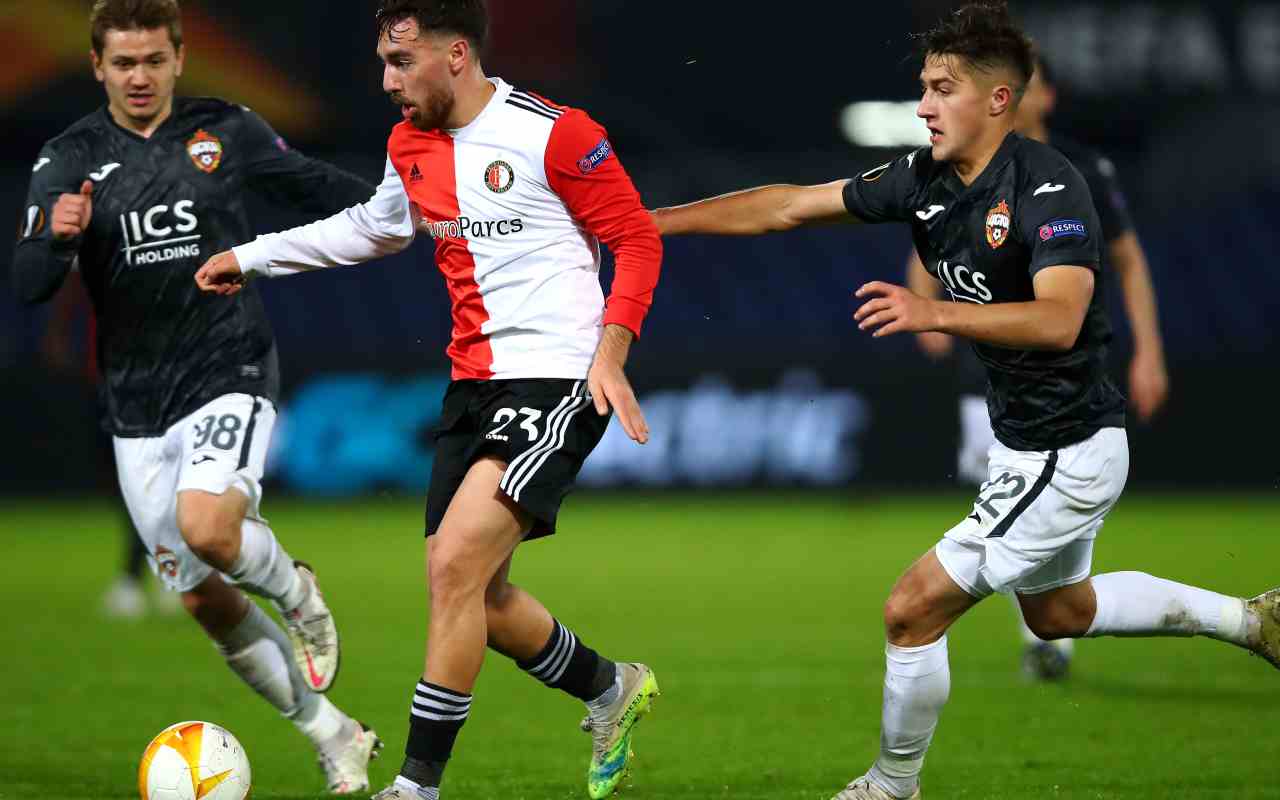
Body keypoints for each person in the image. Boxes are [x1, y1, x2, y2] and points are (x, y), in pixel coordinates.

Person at [650, 3, 1280, 798]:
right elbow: (787, 205)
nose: (923, 106)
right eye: (924, 87)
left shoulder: (1052, 187)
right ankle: (1253, 621)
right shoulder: (924, 179)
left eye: (942, 89)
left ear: (998, 100)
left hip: (1068, 449)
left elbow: (1059, 320)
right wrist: (651, 222)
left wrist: (935, 312)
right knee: (1059, 614)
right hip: (1027, 442)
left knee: (911, 609)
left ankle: (891, 785)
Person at [194, 2, 663, 799]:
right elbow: (374, 228)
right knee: (480, 595)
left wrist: (612, 353)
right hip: (471, 386)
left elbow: (637, 238)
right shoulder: (409, 145)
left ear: (456, 55)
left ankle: (416, 787)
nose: (387, 80)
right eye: (384, 61)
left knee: (453, 567)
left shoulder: (557, 133)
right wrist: (253, 255)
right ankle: (610, 686)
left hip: (559, 377)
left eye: (401, 62)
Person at [12, 0, 380, 791]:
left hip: (226, 365)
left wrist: (409, 207)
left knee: (209, 528)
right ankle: (333, 733)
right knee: (203, 601)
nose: (140, 76)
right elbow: (29, 283)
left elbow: (317, 187)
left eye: (154, 60)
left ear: (179, 59)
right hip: (135, 404)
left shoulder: (226, 130)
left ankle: (296, 591)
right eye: (124, 63)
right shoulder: (67, 158)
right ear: (98, 67)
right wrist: (57, 238)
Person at [905, 53, 1170, 680]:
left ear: (1040, 96)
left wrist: (1150, 351)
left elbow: (1128, 261)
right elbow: (928, 239)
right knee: (1007, 502)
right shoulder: (963, 166)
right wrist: (925, 302)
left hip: (1060, 374)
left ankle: (1046, 638)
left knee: (1014, 513)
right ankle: (1048, 629)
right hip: (987, 371)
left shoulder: (1079, 171)